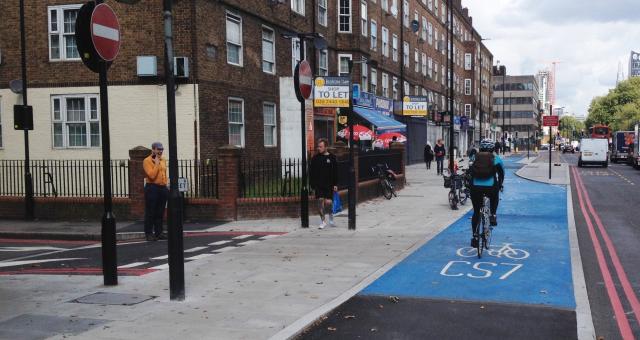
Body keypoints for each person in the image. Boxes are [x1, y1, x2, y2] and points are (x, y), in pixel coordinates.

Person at [468, 139, 505, 248]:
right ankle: (493, 215)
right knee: (495, 195)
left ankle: (475, 236)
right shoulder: (496, 158)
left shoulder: (474, 157)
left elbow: (470, 171)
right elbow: (501, 174)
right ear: (493, 148)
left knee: (476, 212)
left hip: (475, 187)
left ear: (481, 148)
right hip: (490, 187)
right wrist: (500, 185)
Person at [309, 138, 339, 229]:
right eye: (318, 146)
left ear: (326, 147)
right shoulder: (315, 158)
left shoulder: (332, 157)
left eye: (321, 146)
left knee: (328, 203)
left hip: (329, 184)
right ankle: (323, 221)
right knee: (320, 202)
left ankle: (330, 215)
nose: (319, 148)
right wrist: (312, 186)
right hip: (318, 185)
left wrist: (335, 184)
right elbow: (311, 172)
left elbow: (335, 172)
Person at [143, 142, 169, 241]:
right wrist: (157, 163)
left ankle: (159, 233)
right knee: (150, 212)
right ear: (153, 149)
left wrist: (166, 185)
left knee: (160, 212)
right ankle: (149, 233)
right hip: (152, 188)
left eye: (162, 149)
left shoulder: (164, 160)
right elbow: (152, 175)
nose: (160, 151)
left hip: (162, 188)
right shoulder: (147, 161)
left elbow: (164, 173)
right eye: (158, 149)